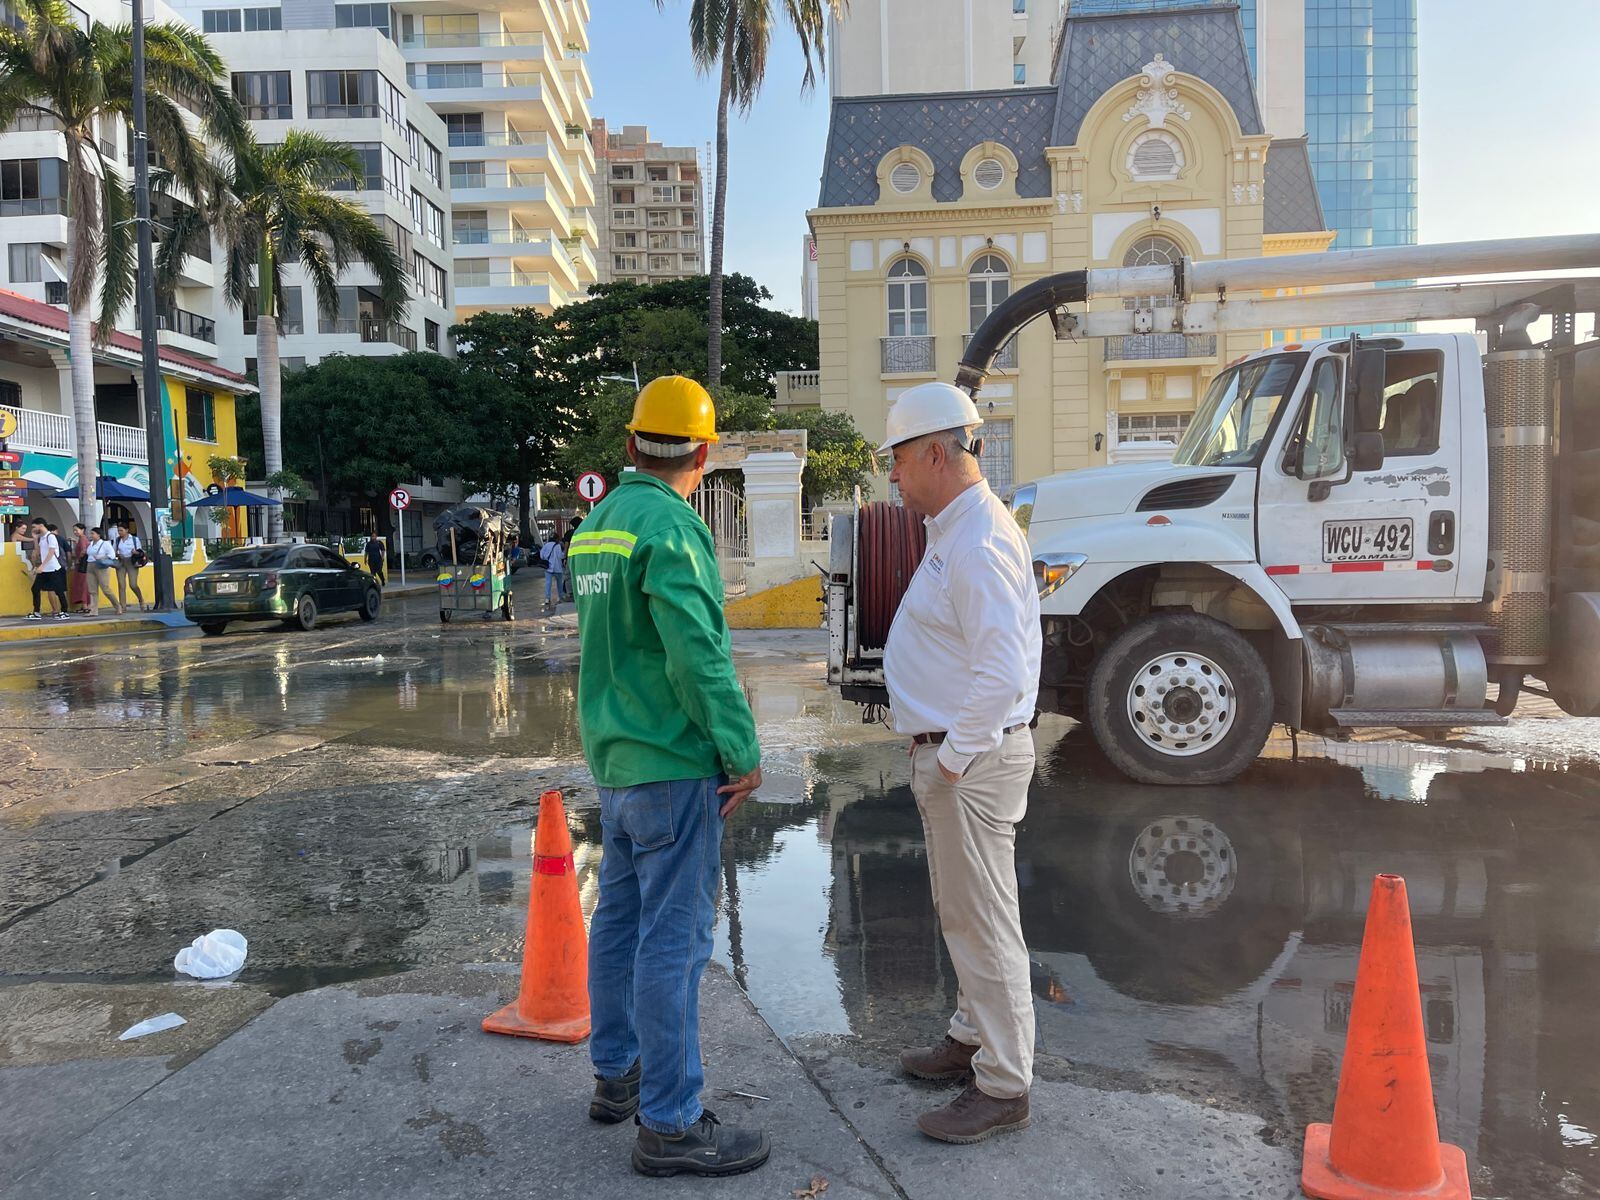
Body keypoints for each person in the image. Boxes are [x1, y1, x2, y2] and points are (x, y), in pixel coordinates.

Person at [572, 375, 769, 1179]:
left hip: (616, 766)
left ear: (629, 445)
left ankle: (617, 1077)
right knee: (672, 943)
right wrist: (741, 748)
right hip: (672, 767)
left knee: (617, 927)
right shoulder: (672, 530)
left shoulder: (597, 525)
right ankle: (672, 1123)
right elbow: (698, 655)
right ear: (706, 452)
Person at [879, 381, 1043, 1144]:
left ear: (936, 453)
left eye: (900, 460)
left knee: (983, 925)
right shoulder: (957, 528)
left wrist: (950, 764)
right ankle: (971, 1035)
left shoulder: (977, 539)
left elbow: (1003, 672)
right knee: (966, 915)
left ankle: (1004, 1084)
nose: (893, 475)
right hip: (958, 758)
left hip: (969, 763)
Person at [27, 518, 69, 620]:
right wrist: (35, 539)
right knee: (35, 589)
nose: (33, 529)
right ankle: (36, 612)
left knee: (59, 590)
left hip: (53, 568)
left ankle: (64, 611)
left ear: (41, 525)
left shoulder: (51, 537)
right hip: (45, 569)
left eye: (34, 526)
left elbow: (51, 552)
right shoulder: (42, 537)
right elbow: (38, 551)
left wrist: (42, 565)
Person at [110, 522, 147, 612]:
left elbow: (140, 551)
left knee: (133, 584)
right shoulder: (117, 540)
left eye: (121, 530)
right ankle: (122, 606)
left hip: (132, 562)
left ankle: (141, 600)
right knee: (121, 584)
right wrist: (117, 554)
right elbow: (113, 551)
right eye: (118, 530)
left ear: (127, 530)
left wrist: (135, 552)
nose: (120, 532)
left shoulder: (134, 539)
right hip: (121, 561)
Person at [85, 526, 121, 616]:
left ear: (99, 534)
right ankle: (93, 610)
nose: (91, 535)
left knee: (105, 589)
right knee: (92, 590)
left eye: (93, 533)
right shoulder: (91, 544)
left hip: (101, 566)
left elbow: (112, 555)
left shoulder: (105, 544)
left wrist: (102, 557)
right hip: (90, 565)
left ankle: (117, 606)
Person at [539, 533, 566, 611]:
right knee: (559, 584)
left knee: (548, 584)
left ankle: (547, 598)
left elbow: (541, 555)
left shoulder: (546, 545)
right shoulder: (558, 546)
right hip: (558, 568)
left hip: (548, 568)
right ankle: (560, 597)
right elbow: (561, 556)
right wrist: (565, 552)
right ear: (557, 539)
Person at [68, 522, 90, 613]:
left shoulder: (82, 539)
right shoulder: (82, 539)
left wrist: (78, 559)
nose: (75, 532)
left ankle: (85, 606)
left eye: (76, 530)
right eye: (74, 530)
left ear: (82, 530)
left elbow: (84, 550)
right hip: (82, 565)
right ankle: (85, 605)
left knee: (82, 585)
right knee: (83, 585)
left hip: (81, 565)